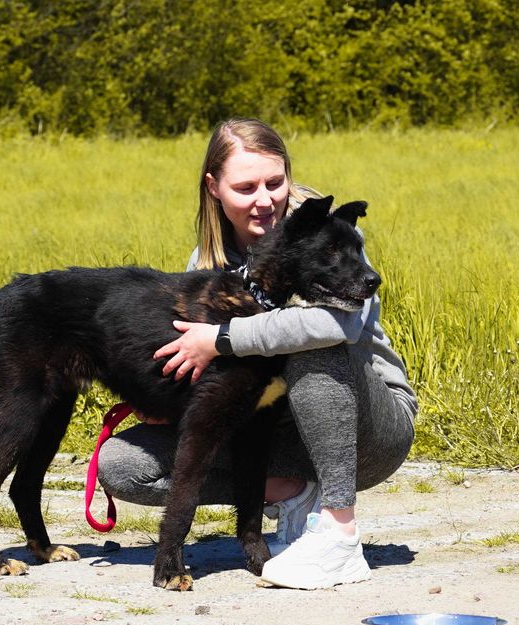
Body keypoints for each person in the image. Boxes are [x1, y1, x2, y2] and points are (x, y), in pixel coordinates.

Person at [97, 118, 417, 590]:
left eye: (274, 181)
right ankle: (289, 493)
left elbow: (341, 323)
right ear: (214, 189)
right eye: (246, 187)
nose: (265, 199)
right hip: (277, 437)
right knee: (121, 465)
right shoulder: (206, 263)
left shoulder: (330, 235)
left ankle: (338, 532)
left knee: (313, 340)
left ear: (289, 173)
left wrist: (220, 337)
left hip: (366, 431)